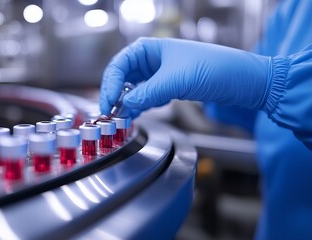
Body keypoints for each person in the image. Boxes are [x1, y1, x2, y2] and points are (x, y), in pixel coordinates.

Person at [99, 1, 312, 239]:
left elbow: (266, 86)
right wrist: (205, 89)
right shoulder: (294, 7)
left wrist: (267, 82)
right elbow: (262, 114)